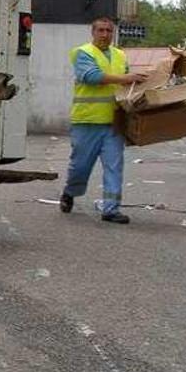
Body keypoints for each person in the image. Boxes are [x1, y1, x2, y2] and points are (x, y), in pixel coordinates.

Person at [58, 17, 148, 224]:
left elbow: (127, 87)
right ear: (93, 32)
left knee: (114, 166)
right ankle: (70, 192)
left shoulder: (120, 55)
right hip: (87, 120)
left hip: (113, 122)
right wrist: (127, 78)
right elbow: (91, 76)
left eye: (109, 31)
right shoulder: (83, 53)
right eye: (101, 30)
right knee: (80, 166)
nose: (105, 34)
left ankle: (111, 210)